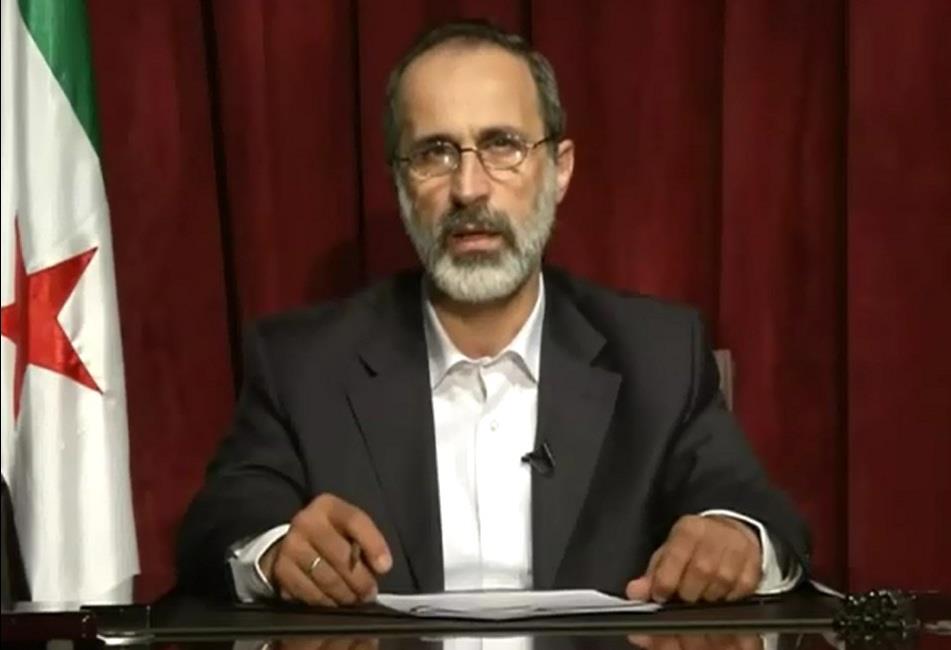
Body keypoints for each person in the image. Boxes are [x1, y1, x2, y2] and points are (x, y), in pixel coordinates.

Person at [176, 20, 809, 606]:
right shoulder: (302, 364)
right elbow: (221, 524)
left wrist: (736, 538)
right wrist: (276, 552)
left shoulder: (659, 356)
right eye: (434, 153)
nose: (469, 189)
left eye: (502, 145)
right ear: (400, 183)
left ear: (559, 170)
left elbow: (757, 513)